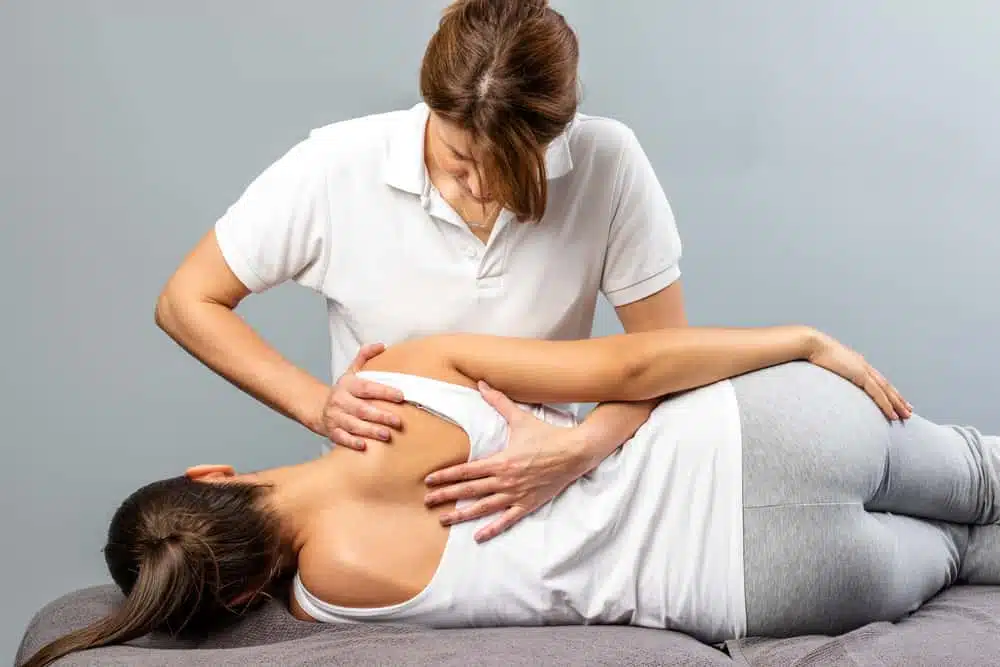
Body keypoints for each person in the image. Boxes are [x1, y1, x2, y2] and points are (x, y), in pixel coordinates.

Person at [154, 0, 790, 543]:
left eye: (514, 164)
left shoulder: (607, 161)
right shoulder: (336, 166)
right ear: (430, 105)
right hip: (392, 507)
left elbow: (663, 357)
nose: (483, 185)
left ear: (557, 132)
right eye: (460, 156)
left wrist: (577, 451)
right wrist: (316, 407)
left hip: (555, 494)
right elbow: (188, 300)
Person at [24, 324, 999, 667]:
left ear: (236, 598)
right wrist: (802, 340)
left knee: (968, 558)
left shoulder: (327, 598)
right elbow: (635, 360)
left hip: (763, 583)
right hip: (764, 435)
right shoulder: (401, 376)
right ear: (210, 474)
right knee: (982, 475)